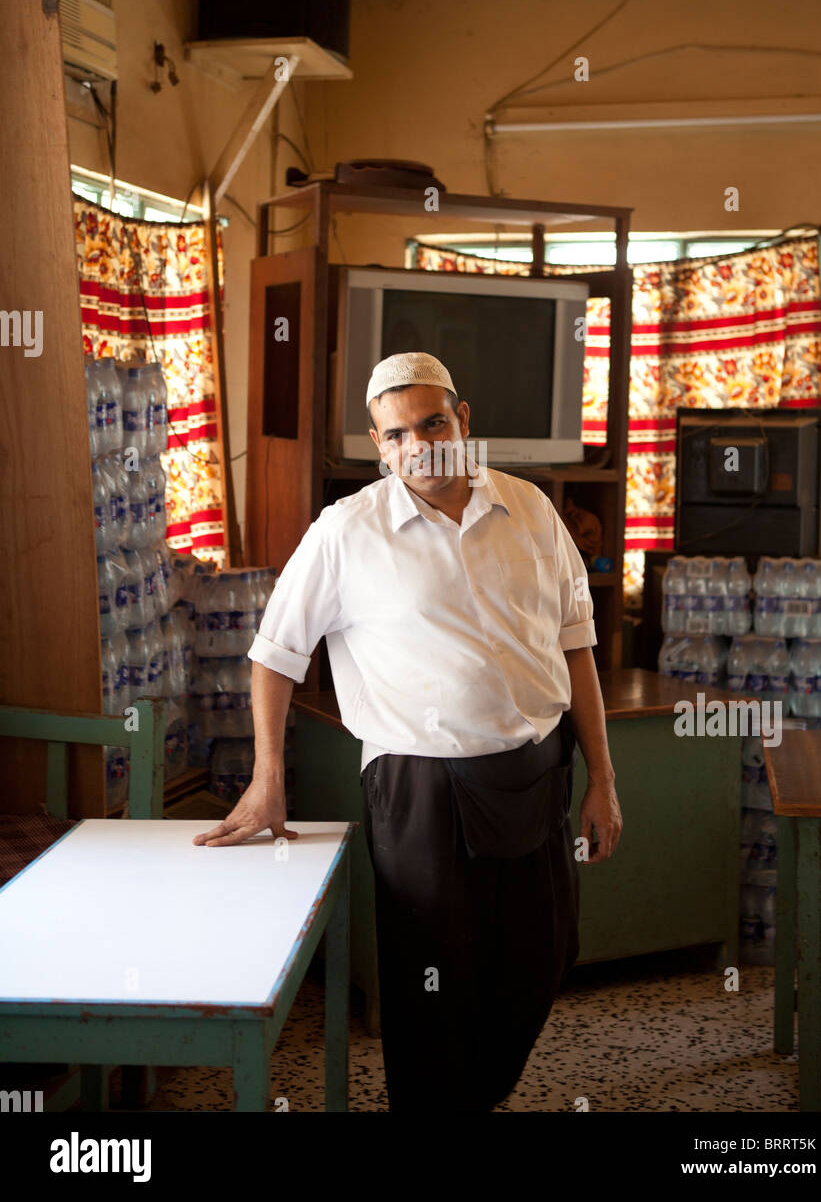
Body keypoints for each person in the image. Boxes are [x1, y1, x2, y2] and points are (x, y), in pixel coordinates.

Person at [195, 350, 622, 1112]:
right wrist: (268, 778)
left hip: (539, 773)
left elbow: (577, 646)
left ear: (464, 420)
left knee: (544, 958)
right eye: (396, 434)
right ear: (379, 445)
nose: (418, 444)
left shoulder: (530, 509)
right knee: (433, 989)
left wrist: (604, 779)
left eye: (432, 421)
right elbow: (274, 656)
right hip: (420, 789)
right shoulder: (347, 532)